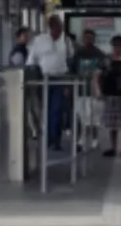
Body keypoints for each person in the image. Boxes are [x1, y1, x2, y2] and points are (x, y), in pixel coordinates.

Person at [26, 14, 74, 151]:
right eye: (56, 28)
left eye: (60, 28)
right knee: (46, 109)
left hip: (60, 78)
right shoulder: (40, 40)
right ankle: (48, 138)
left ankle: (55, 139)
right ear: (50, 27)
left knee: (57, 109)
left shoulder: (66, 40)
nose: (59, 31)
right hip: (44, 78)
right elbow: (31, 60)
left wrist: (68, 82)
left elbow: (70, 59)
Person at [94, 34, 121, 157]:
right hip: (111, 93)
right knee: (113, 123)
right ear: (112, 46)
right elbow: (97, 74)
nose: (118, 48)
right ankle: (113, 147)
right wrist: (97, 90)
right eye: (115, 45)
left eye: (120, 45)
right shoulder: (106, 59)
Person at [70, 28, 106, 152]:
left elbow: (103, 71)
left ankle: (95, 139)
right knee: (81, 116)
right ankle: (81, 139)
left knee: (94, 117)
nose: (88, 40)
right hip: (80, 89)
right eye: (86, 38)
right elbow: (72, 71)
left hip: (94, 90)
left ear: (94, 39)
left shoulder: (99, 54)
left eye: (91, 38)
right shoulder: (78, 54)